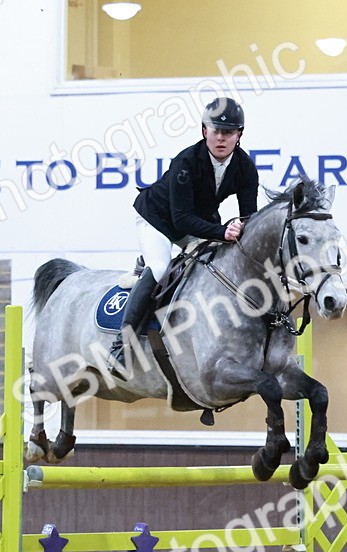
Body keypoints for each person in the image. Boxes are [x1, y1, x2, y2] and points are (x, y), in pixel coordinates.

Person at [106, 97, 259, 377]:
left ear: (240, 135)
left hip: (198, 222)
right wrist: (222, 231)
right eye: (216, 131)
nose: (222, 138)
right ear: (204, 131)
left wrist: (240, 227)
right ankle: (121, 346)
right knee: (162, 267)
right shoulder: (186, 162)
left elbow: (249, 215)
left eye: (229, 132)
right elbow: (180, 220)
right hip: (158, 219)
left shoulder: (246, 167)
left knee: (214, 267)